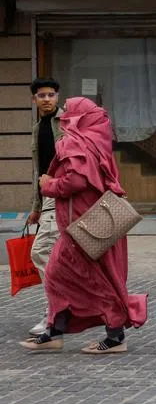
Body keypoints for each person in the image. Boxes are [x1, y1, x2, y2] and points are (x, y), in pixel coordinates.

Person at [20, 97, 148, 354]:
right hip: (97, 223)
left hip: (82, 226)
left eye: (69, 111)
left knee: (89, 280)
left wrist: (48, 185)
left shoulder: (74, 143)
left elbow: (75, 182)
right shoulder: (98, 142)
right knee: (67, 276)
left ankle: (113, 337)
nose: (65, 115)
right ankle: (55, 331)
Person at [26, 78, 64, 337]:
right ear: (34, 100)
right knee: (56, 256)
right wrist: (36, 206)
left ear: (58, 97)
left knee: (41, 252)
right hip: (49, 197)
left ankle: (56, 311)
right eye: (42, 95)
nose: (47, 99)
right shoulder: (37, 128)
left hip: (65, 192)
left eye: (51, 94)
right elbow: (39, 170)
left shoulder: (69, 123)